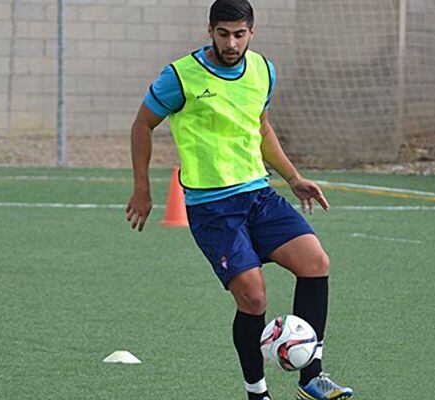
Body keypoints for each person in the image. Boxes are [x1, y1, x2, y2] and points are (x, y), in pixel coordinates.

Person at [125, 1, 353, 399]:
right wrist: (141, 187)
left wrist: (293, 177)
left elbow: (261, 127)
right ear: (210, 30)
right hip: (212, 207)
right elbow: (142, 124)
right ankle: (256, 392)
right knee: (254, 296)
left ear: (252, 31)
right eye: (223, 34)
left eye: (239, 34)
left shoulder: (263, 70)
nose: (232, 43)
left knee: (315, 261)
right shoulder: (180, 76)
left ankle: (311, 376)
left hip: (259, 195)